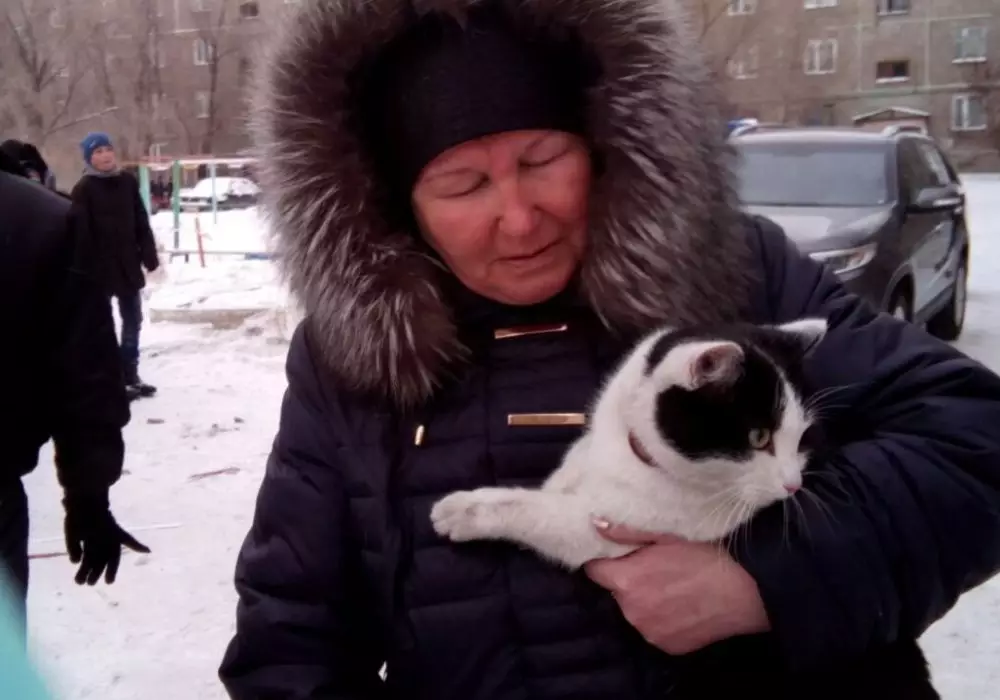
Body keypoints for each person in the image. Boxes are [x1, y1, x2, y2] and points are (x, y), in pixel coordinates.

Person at [219, 0, 1000, 697]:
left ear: (597, 149)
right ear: (401, 207)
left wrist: (771, 580)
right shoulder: (352, 360)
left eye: (542, 160)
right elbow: (292, 644)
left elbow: (974, 437)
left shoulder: (738, 277)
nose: (519, 218)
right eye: (463, 185)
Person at [0, 144, 151, 636]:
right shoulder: (41, 216)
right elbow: (85, 373)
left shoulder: (46, 218)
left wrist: (89, 494)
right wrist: (88, 497)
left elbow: (83, 368)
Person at [69, 132, 160, 401]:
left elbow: (140, 219)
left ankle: (130, 374)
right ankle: (109, 380)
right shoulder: (83, 189)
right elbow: (80, 233)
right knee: (102, 324)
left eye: (108, 149)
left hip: (127, 265)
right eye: (98, 151)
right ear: (89, 158)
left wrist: (148, 253)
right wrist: (84, 268)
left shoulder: (127, 182)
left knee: (133, 320)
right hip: (99, 271)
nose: (105, 155)